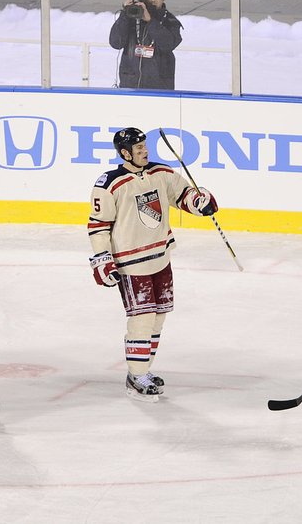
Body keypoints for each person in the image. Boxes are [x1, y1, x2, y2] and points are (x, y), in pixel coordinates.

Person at [87, 127, 217, 402]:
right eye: (139, 149)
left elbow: (183, 195)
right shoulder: (109, 184)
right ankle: (136, 376)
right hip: (131, 264)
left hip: (161, 257)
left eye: (145, 146)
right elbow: (98, 226)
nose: (145, 151)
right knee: (142, 319)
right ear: (125, 153)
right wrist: (103, 259)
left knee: (158, 316)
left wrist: (200, 202)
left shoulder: (161, 173)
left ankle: (143, 369)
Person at [108, 0, 183, 90]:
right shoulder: (131, 18)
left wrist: (150, 21)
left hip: (159, 87)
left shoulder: (170, 21)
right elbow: (115, 43)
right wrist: (125, 14)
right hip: (130, 86)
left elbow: (168, 45)